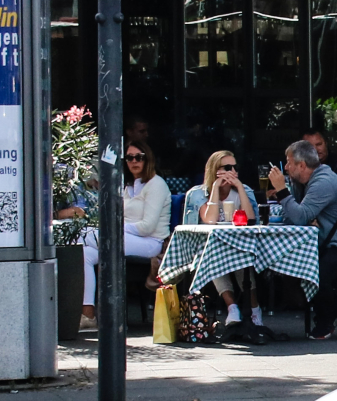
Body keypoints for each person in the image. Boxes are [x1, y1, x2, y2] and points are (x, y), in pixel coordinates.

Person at [271, 136, 337, 339]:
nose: (286, 168)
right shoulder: (304, 181)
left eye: (289, 163)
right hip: (334, 243)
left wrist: (282, 190)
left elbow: (300, 217)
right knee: (297, 264)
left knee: (316, 270)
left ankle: (328, 320)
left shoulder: (324, 182)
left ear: (301, 164)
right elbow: (296, 216)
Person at [76, 139, 173, 330]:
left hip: (151, 242)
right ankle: (88, 315)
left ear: (148, 159)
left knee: (86, 235)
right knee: (85, 253)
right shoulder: (128, 185)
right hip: (126, 238)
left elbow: (147, 227)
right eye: (129, 157)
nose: (134, 161)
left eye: (139, 157)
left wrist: (115, 229)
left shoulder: (156, 184)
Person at [184, 150, 265, 331]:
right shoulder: (199, 194)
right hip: (210, 246)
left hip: (239, 244)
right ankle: (232, 307)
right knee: (213, 253)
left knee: (240, 255)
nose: (233, 171)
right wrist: (215, 189)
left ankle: (254, 309)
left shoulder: (242, 191)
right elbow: (210, 220)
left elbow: (250, 219)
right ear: (215, 170)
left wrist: (240, 188)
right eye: (227, 167)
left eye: (235, 167)